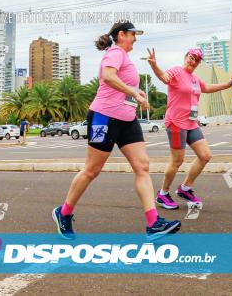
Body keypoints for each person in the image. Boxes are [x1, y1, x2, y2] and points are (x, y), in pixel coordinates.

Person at [52, 21, 181, 241]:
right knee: (92, 170)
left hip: (127, 120)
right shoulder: (115, 52)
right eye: (133, 34)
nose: (135, 39)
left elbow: (123, 86)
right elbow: (109, 77)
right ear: (121, 35)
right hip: (104, 117)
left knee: (143, 166)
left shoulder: (125, 57)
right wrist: (133, 90)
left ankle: (153, 224)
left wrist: (138, 95)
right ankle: (63, 213)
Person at [147, 47, 232, 209]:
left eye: (197, 59)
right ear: (186, 57)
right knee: (177, 160)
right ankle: (163, 194)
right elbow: (163, 77)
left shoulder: (195, 79)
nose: (193, 61)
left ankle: (185, 188)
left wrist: (227, 85)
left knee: (205, 155)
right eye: (191, 57)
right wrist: (154, 65)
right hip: (175, 123)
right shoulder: (176, 71)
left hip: (191, 123)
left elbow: (207, 88)